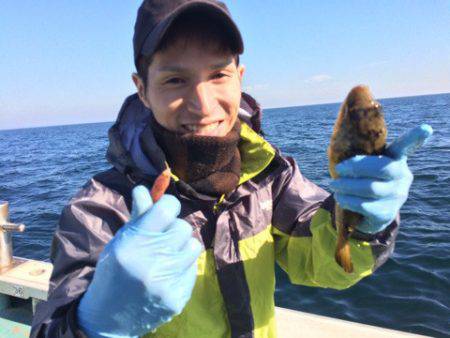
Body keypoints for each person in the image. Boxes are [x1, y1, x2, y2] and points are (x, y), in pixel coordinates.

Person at [30, 1, 432, 337]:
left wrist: (365, 223)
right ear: (142, 89)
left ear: (239, 78)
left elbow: (326, 264)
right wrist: (95, 325)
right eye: (174, 80)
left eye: (218, 74)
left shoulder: (271, 177)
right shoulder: (100, 209)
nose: (203, 105)